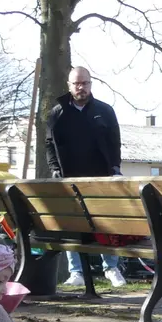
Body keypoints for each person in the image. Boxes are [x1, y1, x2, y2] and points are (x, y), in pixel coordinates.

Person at [46, 66, 126, 289]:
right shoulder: (57, 113)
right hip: (70, 178)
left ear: (91, 84)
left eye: (85, 83)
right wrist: (55, 169)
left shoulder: (105, 111)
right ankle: (77, 272)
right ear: (69, 86)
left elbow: (114, 141)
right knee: (74, 225)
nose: (81, 87)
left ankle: (111, 267)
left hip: (102, 177)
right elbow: (49, 144)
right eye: (76, 83)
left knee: (106, 223)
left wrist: (115, 167)